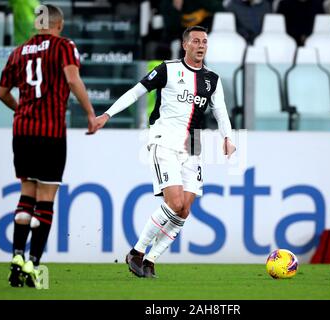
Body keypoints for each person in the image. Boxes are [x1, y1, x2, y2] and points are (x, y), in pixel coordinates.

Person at [95, 26, 236, 278]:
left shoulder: (212, 79)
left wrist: (228, 137)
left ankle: (150, 260)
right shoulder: (167, 69)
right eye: (195, 41)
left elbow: (221, 111)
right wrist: (107, 114)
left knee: (184, 210)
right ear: (185, 45)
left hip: (194, 144)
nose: (201, 45)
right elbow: (136, 91)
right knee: (175, 203)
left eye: (204, 41)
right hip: (165, 140)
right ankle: (137, 252)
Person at [0, 4, 97, 288]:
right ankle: (33, 264)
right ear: (59, 24)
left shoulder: (18, 52)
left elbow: (2, 92)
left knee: (26, 194)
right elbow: (71, 77)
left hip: (22, 132)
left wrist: (20, 110)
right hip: (50, 132)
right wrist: (90, 112)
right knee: (46, 198)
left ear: (37, 23)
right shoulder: (63, 46)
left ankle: (16, 257)